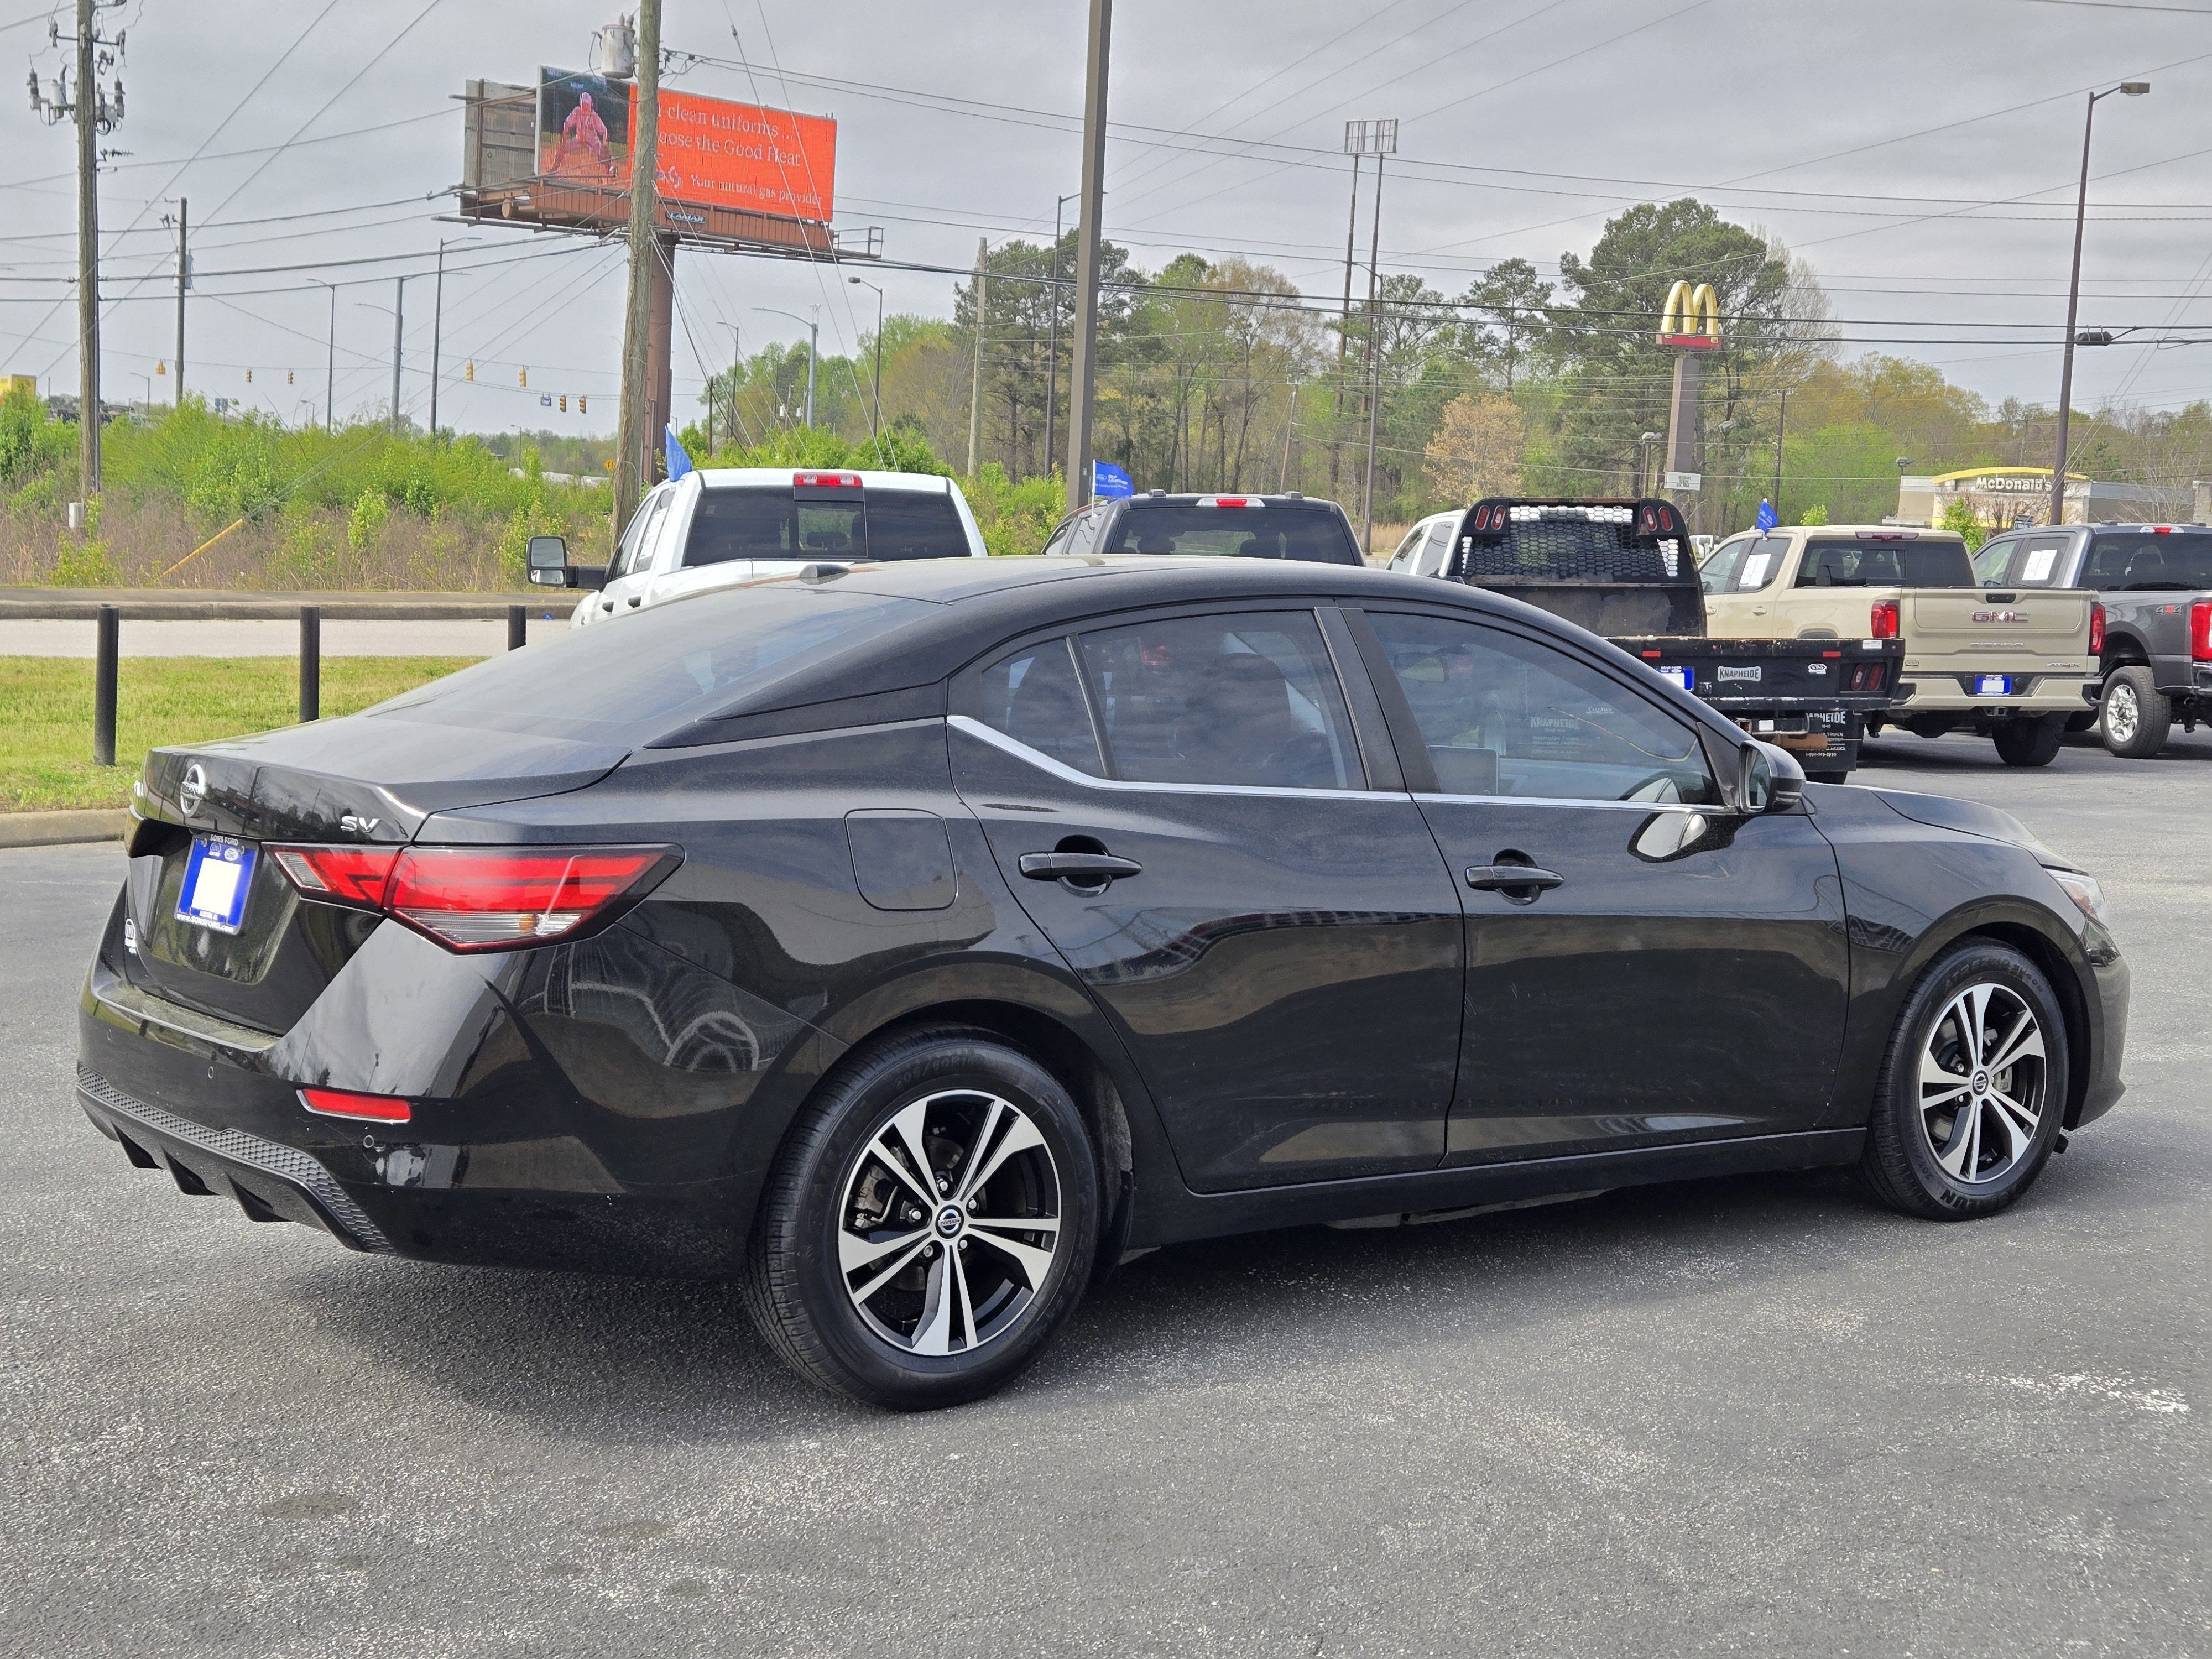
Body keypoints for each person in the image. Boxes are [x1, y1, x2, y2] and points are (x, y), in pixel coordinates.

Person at [549, 90, 613, 179]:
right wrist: (563, 141)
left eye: (587, 105)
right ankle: (554, 168)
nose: (585, 107)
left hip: (592, 140)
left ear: (591, 105)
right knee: (562, 148)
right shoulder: (577, 112)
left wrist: (605, 145)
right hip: (579, 139)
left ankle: (611, 169)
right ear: (581, 104)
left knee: (603, 153)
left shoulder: (594, 116)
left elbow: (604, 131)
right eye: (584, 105)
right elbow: (567, 125)